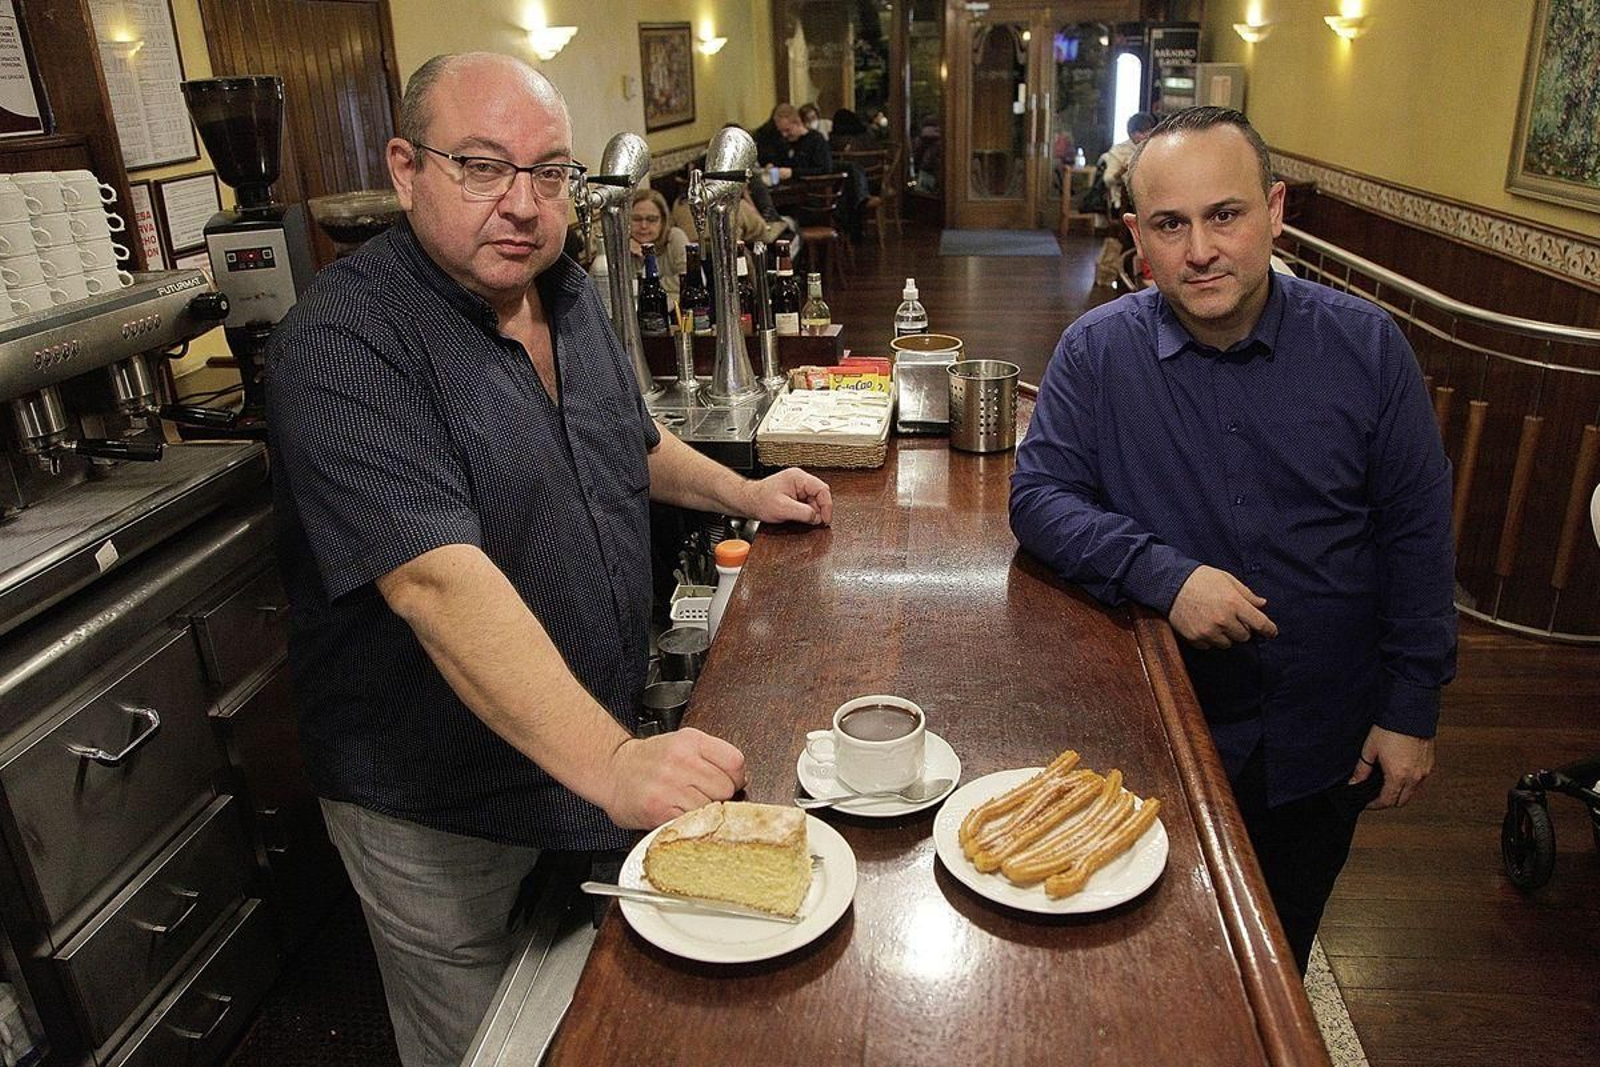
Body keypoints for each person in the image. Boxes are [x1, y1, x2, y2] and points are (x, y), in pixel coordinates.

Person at [266, 52, 833, 1067]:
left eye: (550, 173)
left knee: (589, 1012)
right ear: (406, 169)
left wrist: (744, 492)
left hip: (576, 747)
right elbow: (435, 580)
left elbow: (627, 440)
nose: (523, 204)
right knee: (482, 1042)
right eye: (483, 167)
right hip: (441, 798)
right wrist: (612, 762)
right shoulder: (345, 340)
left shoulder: (563, 290)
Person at [1010, 106, 1456, 974]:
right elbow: (1038, 497)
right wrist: (1164, 575)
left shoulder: (1367, 347)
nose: (1201, 250)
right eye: (1170, 225)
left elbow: (1417, 536)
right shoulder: (1096, 353)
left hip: (1323, 734)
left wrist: (1410, 707)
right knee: (1144, 951)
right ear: (1138, 236)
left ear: (1275, 210)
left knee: (1278, 953)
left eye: (1225, 215)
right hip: (1159, 731)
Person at [1093, 111, 1157, 285]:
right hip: (1123, 204)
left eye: (1149, 130)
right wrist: (1123, 170)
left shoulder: (1156, 150)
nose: (1146, 135)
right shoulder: (1119, 151)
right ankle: (1136, 276)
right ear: (1132, 133)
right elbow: (1108, 179)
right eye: (1141, 132)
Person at [754, 102, 834, 181]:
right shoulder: (783, 142)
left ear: (797, 123)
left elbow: (824, 169)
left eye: (787, 130)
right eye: (781, 131)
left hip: (811, 185)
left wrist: (793, 173)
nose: (784, 135)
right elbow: (781, 163)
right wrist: (772, 166)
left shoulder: (816, 140)